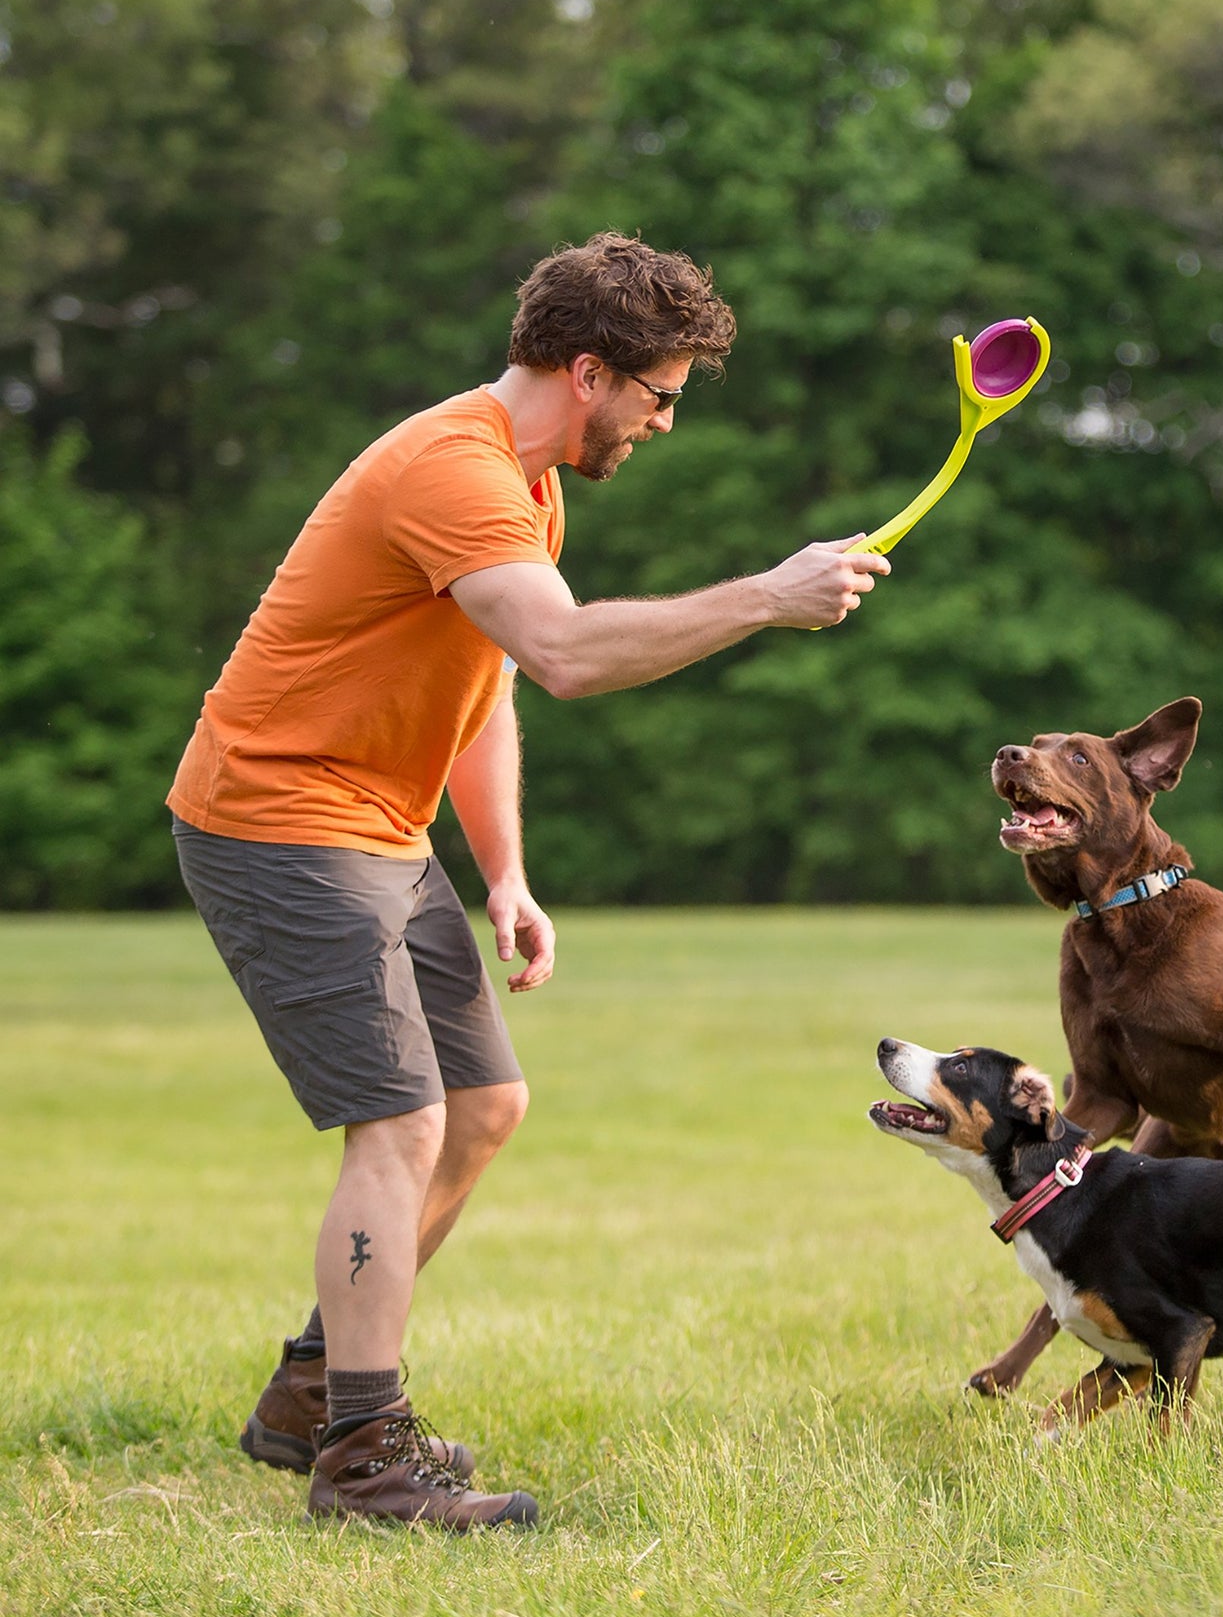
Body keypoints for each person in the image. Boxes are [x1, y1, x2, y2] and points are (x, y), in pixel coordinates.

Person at [167, 231, 889, 1531]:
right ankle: (363, 1458)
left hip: (380, 822)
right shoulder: (453, 468)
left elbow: (488, 686)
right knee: (399, 1125)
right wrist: (765, 597)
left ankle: (312, 1393)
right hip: (276, 815)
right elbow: (561, 650)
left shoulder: (528, 484)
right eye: (660, 396)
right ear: (589, 370)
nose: (665, 423)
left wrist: (504, 870)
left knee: (485, 1101)